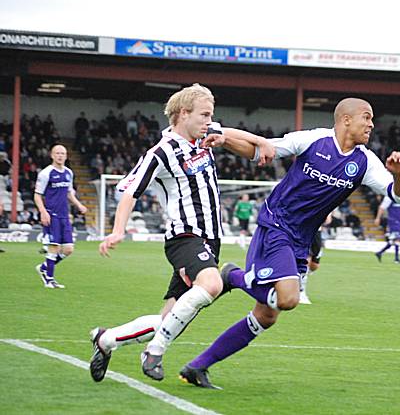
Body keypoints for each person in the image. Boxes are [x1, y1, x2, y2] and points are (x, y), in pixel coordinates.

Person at [178, 97, 400, 389]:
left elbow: (399, 196)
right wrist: (225, 141)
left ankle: (198, 366)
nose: (372, 124)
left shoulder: (364, 161)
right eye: (367, 117)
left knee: (266, 315)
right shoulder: (313, 140)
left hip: (301, 239)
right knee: (288, 299)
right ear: (346, 119)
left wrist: (398, 175)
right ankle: (233, 276)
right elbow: (262, 149)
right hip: (276, 225)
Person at [89, 83, 273, 384]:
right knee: (212, 284)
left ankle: (106, 341)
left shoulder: (203, 135)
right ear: (183, 113)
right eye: (204, 115)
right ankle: (154, 352)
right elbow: (130, 193)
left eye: (210, 115)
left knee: (171, 318)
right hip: (184, 237)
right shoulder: (161, 153)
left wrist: (260, 141)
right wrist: (117, 231)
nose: (209, 121)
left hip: (210, 240)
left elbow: (229, 133)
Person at [34, 145, 87, 288]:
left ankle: (44, 268)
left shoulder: (69, 173)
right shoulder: (46, 173)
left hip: (64, 216)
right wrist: (43, 212)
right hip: (52, 215)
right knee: (54, 247)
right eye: (57, 153)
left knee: (68, 249)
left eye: (62, 153)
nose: (60, 156)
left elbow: (69, 193)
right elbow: (37, 195)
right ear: (52, 155)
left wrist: (79, 205)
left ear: (66, 156)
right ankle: (49, 279)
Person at [299, 213, 332, 305]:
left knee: (314, 266)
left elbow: (328, 221)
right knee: (306, 260)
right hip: (305, 231)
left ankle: (300, 275)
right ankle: (301, 291)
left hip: (317, 232)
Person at [374, 195, 400, 263]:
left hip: (398, 221)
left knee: (393, 240)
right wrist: (378, 218)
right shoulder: (389, 197)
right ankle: (396, 258)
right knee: (397, 238)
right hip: (393, 221)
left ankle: (379, 253)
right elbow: (382, 208)